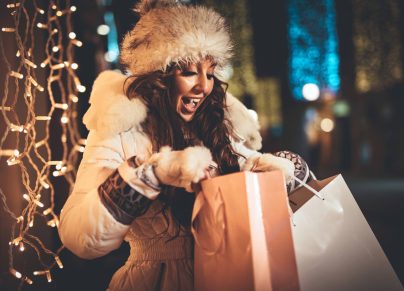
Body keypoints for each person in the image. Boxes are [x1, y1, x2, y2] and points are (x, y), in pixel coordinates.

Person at [58, 1, 314, 290]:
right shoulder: (120, 129)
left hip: (231, 274)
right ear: (160, 75)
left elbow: (268, 179)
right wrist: (150, 175)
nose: (203, 87)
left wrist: (278, 171)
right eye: (189, 72)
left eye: (210, 71)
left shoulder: (218, 124)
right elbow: (78, 236)